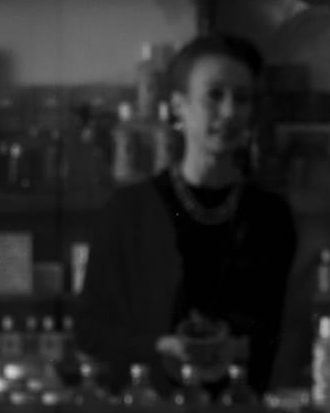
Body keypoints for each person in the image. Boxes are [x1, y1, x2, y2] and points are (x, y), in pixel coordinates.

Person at [72, 34, 297, 394]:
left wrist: (238, 348)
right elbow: (90, 331)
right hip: (148, 409)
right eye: (214, 95)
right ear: (178, 106)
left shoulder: (271, 217)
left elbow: (284, 331)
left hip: (242, 412)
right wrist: (159, 347)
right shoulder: (128, 212)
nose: (230, 112)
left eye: (242, 98)